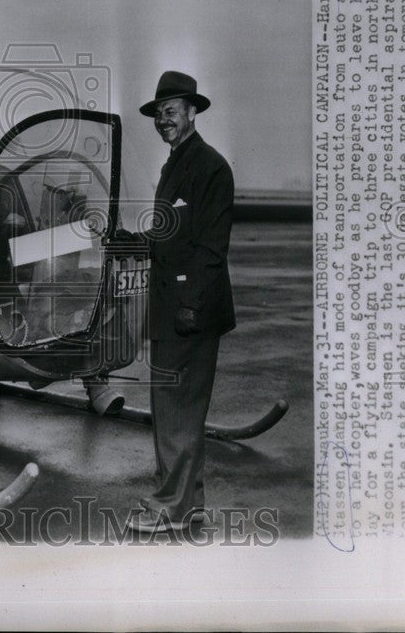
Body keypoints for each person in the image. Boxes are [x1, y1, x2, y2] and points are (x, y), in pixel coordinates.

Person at [126, 70, 236, 532]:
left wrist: (190, 305)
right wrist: (128, 243)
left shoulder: (210, 166)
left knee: (177, 408)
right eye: (158, 114)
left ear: (192, 112)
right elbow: (171, 235)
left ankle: (170, 506)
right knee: (174, 407)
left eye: (171, 112)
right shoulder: (176, 163)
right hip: (173, 307)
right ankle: (187, 502)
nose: (163, 120)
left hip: (190, 309)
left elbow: (211, 247)